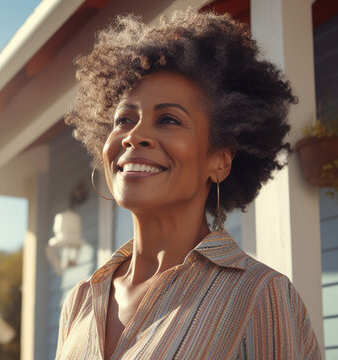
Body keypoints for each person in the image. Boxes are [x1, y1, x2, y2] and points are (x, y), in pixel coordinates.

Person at [56, 8, 322, 360]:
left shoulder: (259, 295)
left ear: (220, 160)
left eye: (168, 119)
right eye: (124, 119)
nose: (134, 135)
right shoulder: (80, 300)